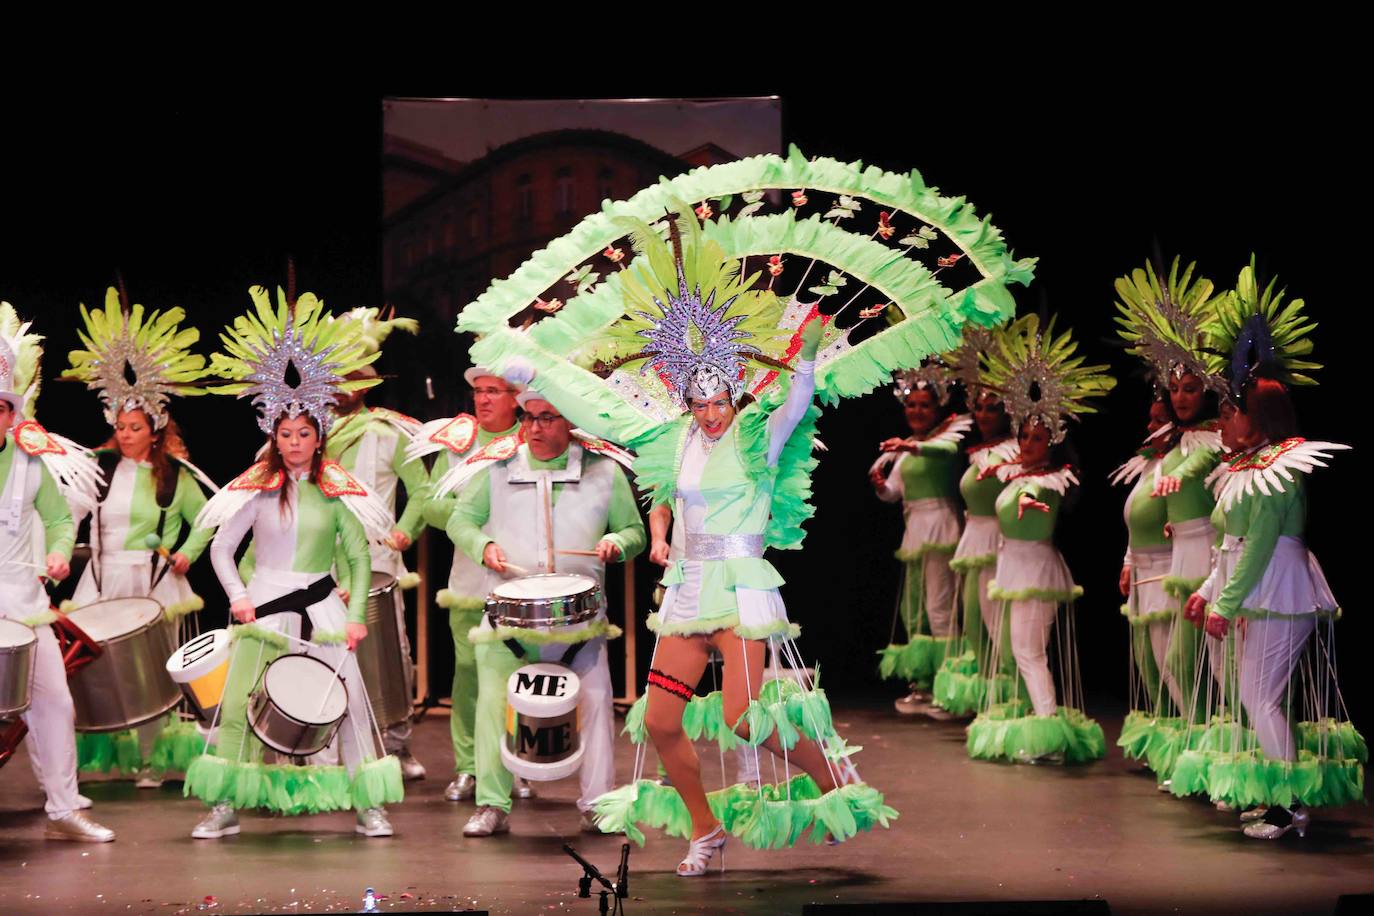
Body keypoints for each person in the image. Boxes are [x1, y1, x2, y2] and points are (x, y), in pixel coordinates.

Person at [483, 213, 895, 875]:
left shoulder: (756, 437)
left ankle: (833, 778)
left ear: (732, 393)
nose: (707, 414)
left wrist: (809, 354)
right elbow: (598, 411)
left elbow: (796, 402)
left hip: (741, 586)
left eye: (716, 402)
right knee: (660, 723)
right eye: (697, 403)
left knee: (740, 718)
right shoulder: (674, 440)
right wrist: (538, 372)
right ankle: (705, 831)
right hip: (688, 591)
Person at [182, 286, 403, 839]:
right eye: (286, 434)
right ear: (273, 435)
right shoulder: (256, 488)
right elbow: (220, 548)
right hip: (263, 607)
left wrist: (354, 618)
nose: (296, 442)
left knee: (349, 703)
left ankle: (366, 805)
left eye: (305, 433)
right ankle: (224, 805)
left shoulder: (336, 489)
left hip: (324, 609)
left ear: (319, 435)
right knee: (237, 707)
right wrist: (237, 597)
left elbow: (356, 554)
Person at [1171, 260, 1362, 838]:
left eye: (1230, 411)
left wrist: (1226, 603)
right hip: (1253, 587)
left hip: (1276, 587)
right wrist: (1209, 592)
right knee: (1255, 697)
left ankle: (1292, 805)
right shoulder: (1245, 466)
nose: (1222, 420)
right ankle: (1280, 796)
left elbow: (1256, 547)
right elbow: (1230, 546)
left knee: (1260, 697)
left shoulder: (1282, 467)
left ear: (1258, 417)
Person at [442, 387, 644, 836]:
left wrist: (618, 544)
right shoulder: (496, 469)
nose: (534, 427)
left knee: (593, 706)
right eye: (529, 418)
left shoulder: (604, 471)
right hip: (508, 621)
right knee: (494, 707)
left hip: (580, 624)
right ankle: (492, 803)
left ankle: (596, 802)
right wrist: (484, 545)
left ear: (570, 422)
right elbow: (460, 521)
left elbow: (635, 531)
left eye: (547, 418)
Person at [61, 287, 216, 787]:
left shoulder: (172, 474)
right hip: (103, 579)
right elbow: (70, 514)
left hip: (153, 584)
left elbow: (212, 518)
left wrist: (188, 555)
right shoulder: (98, 467)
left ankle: (152, 759)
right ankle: (103, 753)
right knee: (97, 668)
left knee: (151, 671)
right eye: (120, 426)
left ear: (155, 428)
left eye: (135, 426)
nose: (126, 434)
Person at [965, 315, 1114, 765]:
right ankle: (1041, 718)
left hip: (1035, 569)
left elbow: (1045, 498)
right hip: (1015, 567)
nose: (1028, 443)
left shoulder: (1055, 477)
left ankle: (1048, 728)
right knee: (1022, 650)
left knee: (1028, 652)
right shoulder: (1016, 472)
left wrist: (1030, 501)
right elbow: (1012, 484)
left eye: (1037, 437)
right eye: (1024, 435)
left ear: (1053, 440)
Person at [0, 303, 113, 841]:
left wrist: (61, 552)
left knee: (53, 702)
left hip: (25, 605)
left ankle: (65, 808)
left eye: (0, 408)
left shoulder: (30, 461)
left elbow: (56, 519)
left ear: (9, 414)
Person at [1110, 258, 1222, 787]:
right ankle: (1198, 756)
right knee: (1184, 667)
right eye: (1173, 388)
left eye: (1190, 388)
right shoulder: (1176, 443)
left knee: (1206, 668)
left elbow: (1221, 489)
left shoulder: (1213, 440)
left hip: (1210, 561)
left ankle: (1213, 757)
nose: (1179, 397)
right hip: (1179, 561)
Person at [408, 366, 524, 803]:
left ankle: (517, 763)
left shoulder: (529, 439)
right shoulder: (459, 441)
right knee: (469, 673)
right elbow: (430, 504)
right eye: (478, 391)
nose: (483, 399)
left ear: (515, 397)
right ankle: (470, 767)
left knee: (518, 675)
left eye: (493, 391)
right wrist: (469, 514)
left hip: (520, 578)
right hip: (469, 580)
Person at [326, 306, 427, 780]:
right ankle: (328, 738)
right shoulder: (313, 433)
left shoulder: (388, 432)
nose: (343, 387)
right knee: (325, 651)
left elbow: (422, 491)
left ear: (367, 385)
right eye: (336, 377)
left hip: (376, 555)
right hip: (320, 560)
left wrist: (407, 527)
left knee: (388, 653)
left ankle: (398, 744)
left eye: (352, 378)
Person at [871, 363, 970, 717]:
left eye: (924, 405)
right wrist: (882, 486)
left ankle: (949, 689)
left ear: (938, 408)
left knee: (940, 610)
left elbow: (944, 453)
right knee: (914, 611)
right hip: (915, 531)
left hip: (941, 529)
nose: (916, 411)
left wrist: (910, 449)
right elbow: (896, 493)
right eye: (911, 405)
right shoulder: (909, 446)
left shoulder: (947, 438)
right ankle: (924, 686)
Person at [931, 342, 1022, 717]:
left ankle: (1012, 702)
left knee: (999, 626)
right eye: (980, 408)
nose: (984, 415)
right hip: (974, 540)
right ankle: (989, 702)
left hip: (1000, 542)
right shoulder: (978, 451)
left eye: (993, 408)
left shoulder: (1016, 451)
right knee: (973, 624)